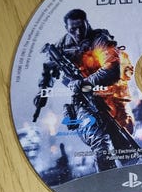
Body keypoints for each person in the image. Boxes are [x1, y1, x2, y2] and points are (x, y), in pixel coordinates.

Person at [35, 9, 136, 172]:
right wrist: (42, 91)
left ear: (87, 23)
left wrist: (83, 83)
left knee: (125, 138)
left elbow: (112, 69)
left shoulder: (99, 40)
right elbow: (49, 69)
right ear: (66, 28)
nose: (78, 32)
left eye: (81, 27)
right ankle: (107, 180)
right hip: (85, 101)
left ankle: (131, 173)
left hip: (112, 97)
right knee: (99, 142)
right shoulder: (62, 46)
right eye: (73, 29)